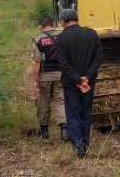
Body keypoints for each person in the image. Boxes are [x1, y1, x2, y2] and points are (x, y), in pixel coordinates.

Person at [54, 9, 102, 158]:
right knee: (86, 111)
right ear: (76, 18)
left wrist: (77, 78)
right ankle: (86, 142)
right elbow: (98, 58)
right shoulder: (92, 34)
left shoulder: (61, 38)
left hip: (71, 82)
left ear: (63, 21)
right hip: (88, 83)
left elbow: (63, 63)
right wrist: (87, 77)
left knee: (73, 112)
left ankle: (78, 145)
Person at [30, 16, 67, 141]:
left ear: (42, 26)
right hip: (61, 73)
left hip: (44, 75)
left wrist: (35, 80)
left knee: (44, 100)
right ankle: (65, 129)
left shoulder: (38, 39)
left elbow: (37, 62)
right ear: (52, 24)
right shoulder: (63, 36)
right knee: (60, 100)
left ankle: (44, 132)